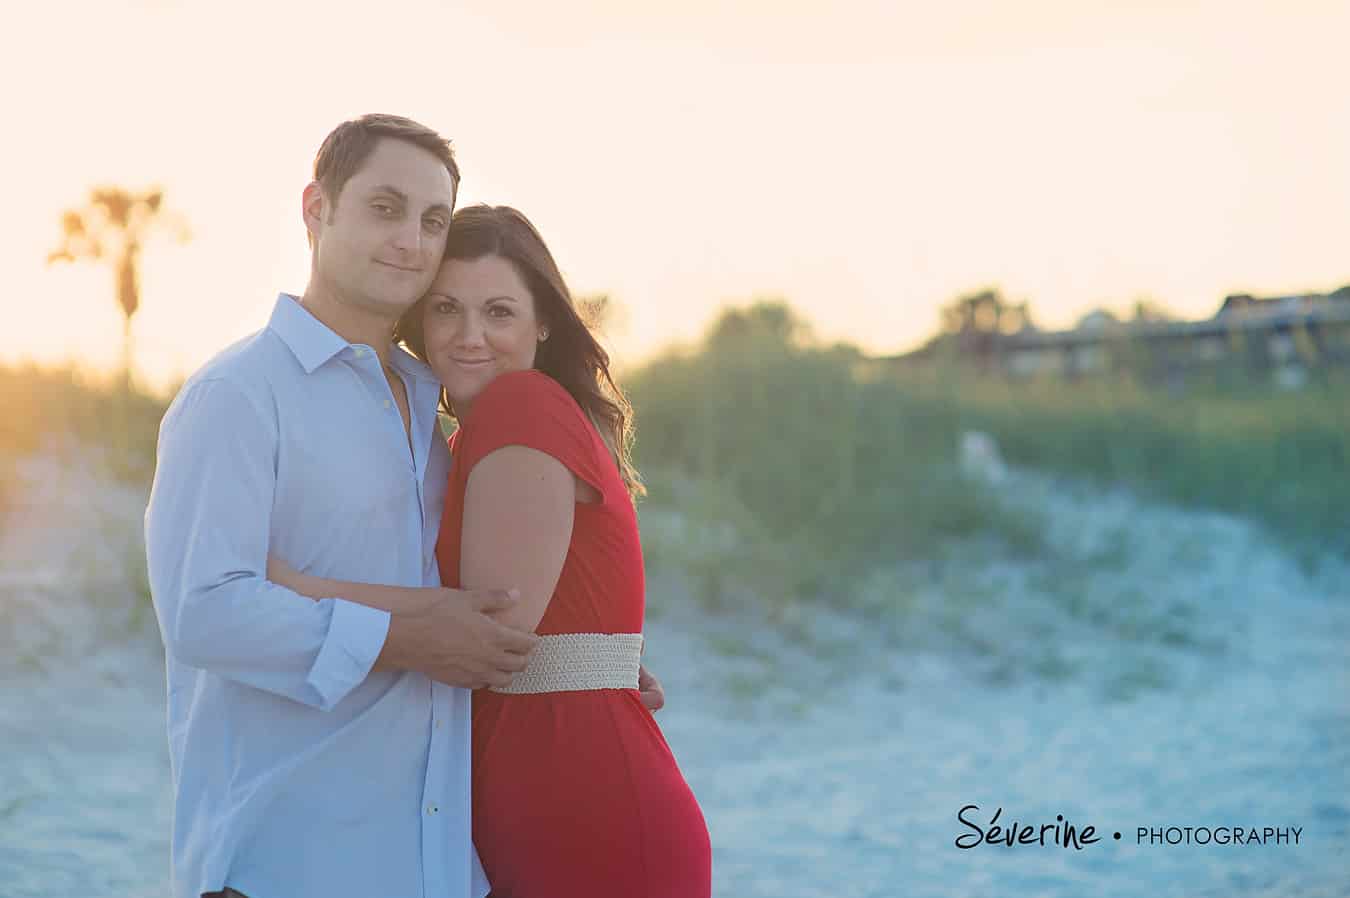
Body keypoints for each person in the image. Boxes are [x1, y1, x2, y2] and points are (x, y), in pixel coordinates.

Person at [145, 114, 545, 898]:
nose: (412, 241)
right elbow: (202, 611)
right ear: (316, 208)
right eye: (385, 208)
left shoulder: (438, 407)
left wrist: (589, 668)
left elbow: (475, 605)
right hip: (285, 860)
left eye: (433, 221)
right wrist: (400, 637)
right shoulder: (237, 397)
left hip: (428, 864)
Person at [268, 205, 712, 897]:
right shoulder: (476, 437)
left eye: (499, 312)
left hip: (582, 805)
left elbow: (490, 634)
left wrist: (301, 588)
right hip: (548, 787)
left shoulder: (523, 406)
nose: (469, 337)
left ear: (542, 324)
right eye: (446, 309)